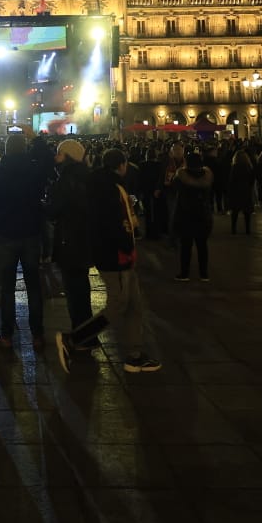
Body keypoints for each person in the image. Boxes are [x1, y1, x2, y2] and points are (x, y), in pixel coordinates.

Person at [80, 147, 161, 373]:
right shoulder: (110, 188)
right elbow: (112, 223)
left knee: (135, 305)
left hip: (119, 253)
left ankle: (134, 355)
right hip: (115, 255)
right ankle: (75, 338)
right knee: (117, 305)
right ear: (122, 165)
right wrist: (126, 244)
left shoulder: (103, 184)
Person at [0, 133, 49, 351]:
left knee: (7, 287)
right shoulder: (35, 171)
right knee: (34, 286)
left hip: (5, 233)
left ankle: (6, 334)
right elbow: (42, 194)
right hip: (31, 232)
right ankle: (38, 334)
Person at [46, 139, 94, 353]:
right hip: (85, 240)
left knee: (74, 292)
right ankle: (87, 334)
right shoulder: (89, 177)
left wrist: (44, 204)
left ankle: (81, 337)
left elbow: (53, 210)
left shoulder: (66, 180)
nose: (55, 158)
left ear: (67, 156)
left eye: (58, 154)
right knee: (82, 289)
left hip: (69, 240)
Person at [169, 150, 213, 279]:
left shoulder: (181, 177)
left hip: (186, 215)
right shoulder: (207, 176)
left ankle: (184, 273)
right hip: (203, 214)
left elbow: (173, 189)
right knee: (202, 245)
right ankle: (204, 274)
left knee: (186, 246)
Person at [225, 146, 256, 235]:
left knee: (235, 211)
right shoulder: (249, 167)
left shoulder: (234, 167)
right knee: (247, 212)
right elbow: (252, 179)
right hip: (246, 190)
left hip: (236, 191)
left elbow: (231, 180)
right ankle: (247, 229)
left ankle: (233, 228)